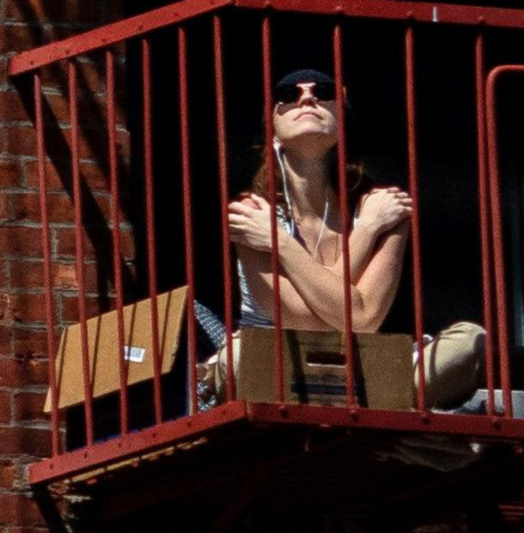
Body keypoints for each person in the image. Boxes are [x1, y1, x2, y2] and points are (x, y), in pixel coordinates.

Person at [204, 68, 485, 410]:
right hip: (280, 360)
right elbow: (302, 321)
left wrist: (284, 241)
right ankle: (383, 403)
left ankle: (368, 397)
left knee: (469, 342)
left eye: (323, 91)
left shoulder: (383, 208)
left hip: (361, 365)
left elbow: (365, 321)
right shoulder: (254, 213)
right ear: (273, 130)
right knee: (236, 358)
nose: (307, 97)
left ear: (343, 121)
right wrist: (284, 235)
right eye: (288, 94)